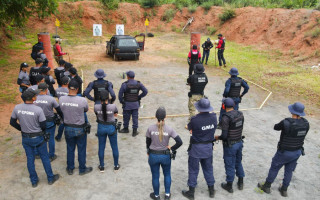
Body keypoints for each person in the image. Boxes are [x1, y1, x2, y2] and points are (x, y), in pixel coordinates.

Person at [258, 102, 309, 197]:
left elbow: (276, 127)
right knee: (289, 171)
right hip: (297, 151)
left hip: (284, 152)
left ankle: (267, 186)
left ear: (292, 111)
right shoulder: (306, 124)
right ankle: (284, 189)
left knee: (274, 167)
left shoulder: (286, 122)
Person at [10, 89, 59, 187]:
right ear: (33, 98)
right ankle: (50, 178)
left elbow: (12, 122)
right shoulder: (38, 109)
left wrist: (22, 129)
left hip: (26, 138)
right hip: (38, 137)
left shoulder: (17, 108)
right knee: (44, 157)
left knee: (30, 159)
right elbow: (43, 125)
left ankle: (34, 181)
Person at [182, 98, 217, 199]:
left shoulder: (195, 119)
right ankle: (211, 190)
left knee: (193, 170)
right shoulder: (214, 117)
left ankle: (191, 192)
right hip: (208, 148)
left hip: (196, 149)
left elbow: (189, 128)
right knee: (208, 169)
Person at [147, 107, 183, 200]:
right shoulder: (169, 129)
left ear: (155, 117)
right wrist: (172, 148)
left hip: (153, 155)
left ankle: (156, 195)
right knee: (167, 174)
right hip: (165, 156)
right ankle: (167, 195)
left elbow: (148, 142)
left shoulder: (150, 128)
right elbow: (179, 142)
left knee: (155, 176)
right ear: (165, 117)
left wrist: (148, 151)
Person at [59, 79, 92, 175]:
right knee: (81, 149)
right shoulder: (82, 100)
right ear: (77, 89)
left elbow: (60, 109)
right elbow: (85, 110)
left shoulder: (61, 99)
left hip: (68, 128)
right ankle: (82, 169)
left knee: (70, 148)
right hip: (80, 128)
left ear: (68, 87)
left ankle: (70, 168)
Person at [214, 98, 245, 193]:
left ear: (224, 106)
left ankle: (229, 185)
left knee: (229, 164)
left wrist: (217, 137)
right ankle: (240, 182)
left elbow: (224, 135)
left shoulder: (225, 118)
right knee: (238, 162)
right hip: (239, 142)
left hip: (230, 145)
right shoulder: (240, 114)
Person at [34, 83, 64, 161]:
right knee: (50, 139)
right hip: (49, 121)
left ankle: (37, 154)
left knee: (39, 137)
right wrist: (63, 118)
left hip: (38, 121)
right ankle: (51, 155)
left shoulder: (34, 98)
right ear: (46, 90)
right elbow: (58, 109)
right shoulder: (51, 99)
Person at [94, 90, 120, 172]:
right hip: (111, 128)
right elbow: (115, 114)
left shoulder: (96, 107)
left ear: (99, 98)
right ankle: (116, 165)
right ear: (108, 98)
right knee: (114, 147)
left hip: (101, 127)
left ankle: (102, 166)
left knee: (101, 147)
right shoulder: (113, 106)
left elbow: (97, 114)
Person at [118, 71, 148, 137]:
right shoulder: (138, 84)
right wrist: (139, 97)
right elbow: (145, 91)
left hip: (127, 104)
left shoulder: (124, 84)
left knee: (126, 116)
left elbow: (120, 94)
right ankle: (134, 131)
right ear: (134, 76)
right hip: (135, 104)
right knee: (135, 117)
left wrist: (121, 101)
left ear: (127, 77)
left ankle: (126, 129)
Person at [55, 76, 70, 142]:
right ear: (67, 83)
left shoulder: (57, 90)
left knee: (62, 122)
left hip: (60, 107)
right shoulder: (69, 91)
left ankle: (59, 136)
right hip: (68, 107)